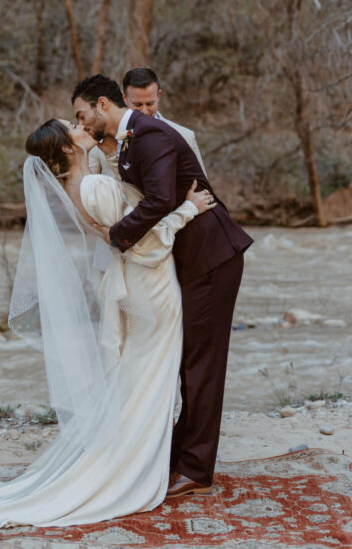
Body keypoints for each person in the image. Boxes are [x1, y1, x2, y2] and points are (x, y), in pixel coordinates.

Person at [0, 119, 215, 529]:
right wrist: (187, 210)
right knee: (151, 376)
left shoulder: (81, 185)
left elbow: (121, 231)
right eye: (73, 126)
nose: (81, 125)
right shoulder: (92, 188)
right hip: (152, 286)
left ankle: (134, 459)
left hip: (137, 287)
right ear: (65, 150)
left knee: (139, 375)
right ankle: (129, 470)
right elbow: (142, 244)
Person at [72, 75, 253, 498]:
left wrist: (115, 236)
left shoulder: (149, 134)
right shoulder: (132, 137)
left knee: (201, 365)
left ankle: (196, 470)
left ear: (102, 105)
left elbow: (157, 201)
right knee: (190, 361)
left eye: (83, 115)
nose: (81, 122)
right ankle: (178, 456)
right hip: (187, 257)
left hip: (212, 256)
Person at [89, 68, 205, 176]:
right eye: (138, 105)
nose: (144, 111)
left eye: (149, 104)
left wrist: (189, 199)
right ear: (124, 98)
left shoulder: (185, 136)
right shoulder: (103, 138)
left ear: (159, 95)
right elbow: (87, 188)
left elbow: (202, 189)